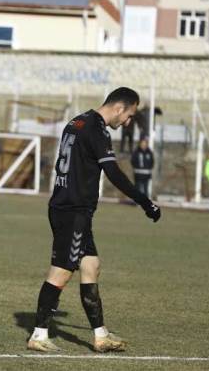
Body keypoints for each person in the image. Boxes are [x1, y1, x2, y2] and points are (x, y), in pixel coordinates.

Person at [27, 87, 161, 353]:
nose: (128, 122)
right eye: (130, 115)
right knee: (61, 271)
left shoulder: (76, 122)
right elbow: (113, 173)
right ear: (119, 108)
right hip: (73, 211)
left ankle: (100, 336)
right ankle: (38, 335)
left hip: (70, 208)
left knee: (91, 267)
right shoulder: (96, 129)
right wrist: (145, 202)